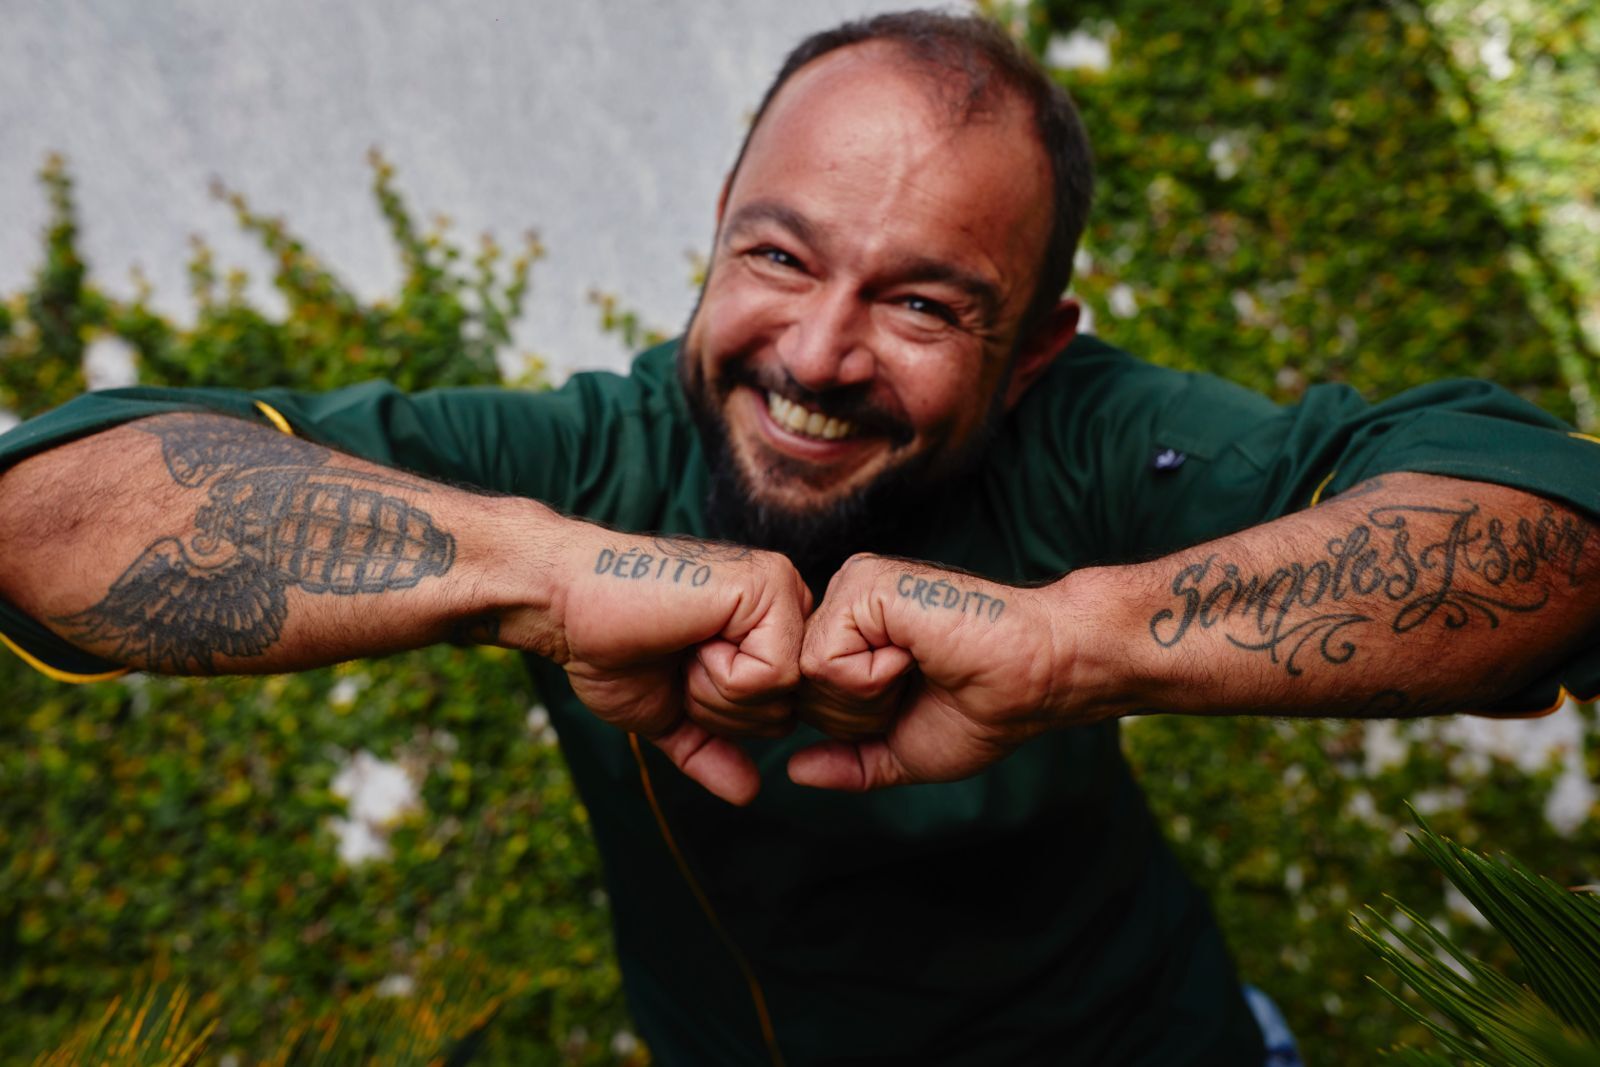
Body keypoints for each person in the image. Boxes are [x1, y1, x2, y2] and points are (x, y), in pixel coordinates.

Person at [1, 11, 1597, 1066]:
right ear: (714, 237)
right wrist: (549, 576)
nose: (818, 354)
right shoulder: (581, 460)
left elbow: (1557, 534)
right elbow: (46, 513)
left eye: (921, 302)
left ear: (1035, 349)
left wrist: (1076, 646)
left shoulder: (1102, 436)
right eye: (780, 256)